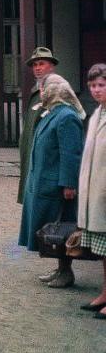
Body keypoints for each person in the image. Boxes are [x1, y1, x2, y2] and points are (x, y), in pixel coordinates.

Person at [18, 73, 85, 288]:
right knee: (54, 229)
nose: (42, 92)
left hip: (58, 185)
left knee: (63, 227)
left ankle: (67, 272)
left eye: (45, 88)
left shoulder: (67, 116)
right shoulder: (52, 113)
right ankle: (60, 268)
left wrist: (69, 184)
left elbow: (71, 153)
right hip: (44, 181)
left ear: (56, 90)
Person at [78, 63, 106, 319]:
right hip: (94, 189)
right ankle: (105, 292)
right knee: (103, 250)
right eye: (93, 86)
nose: (97, 90)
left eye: (102, 85)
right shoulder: (97, 113)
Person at [18, 47, 58, 204]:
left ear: (51, 66)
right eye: (34, 65)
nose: (38, 68)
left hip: (45, 158)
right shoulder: (36, 90)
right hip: (32, 154)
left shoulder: (55, 90)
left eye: (42, 63)